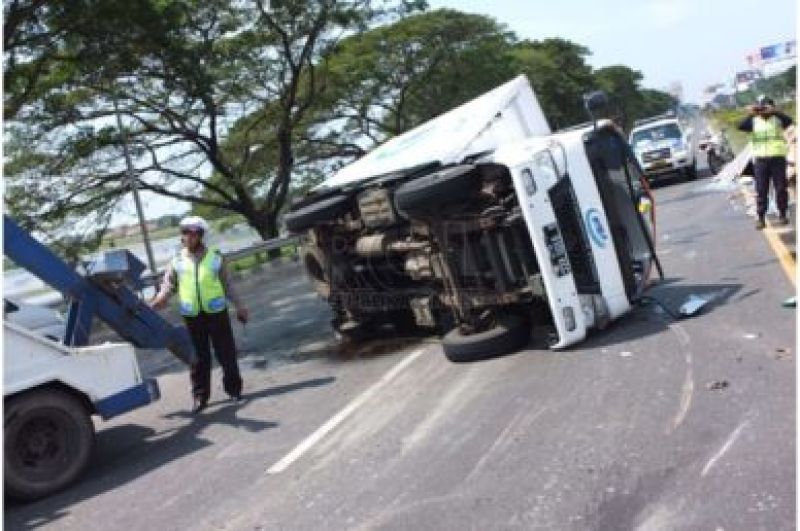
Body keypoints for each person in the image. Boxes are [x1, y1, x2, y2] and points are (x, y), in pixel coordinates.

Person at [150, 216, 249, 413]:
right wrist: (159, 299)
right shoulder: (177, 261)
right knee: (198, 358)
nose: (185, 236)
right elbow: (168, 285)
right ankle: (200, 397)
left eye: (190, 232)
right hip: (192, 316)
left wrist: (240, 306)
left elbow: (228, 285)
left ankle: (234, 389)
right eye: (184, 232)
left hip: (216, 313)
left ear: (199, 235)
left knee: (226, 353)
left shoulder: (215, 258)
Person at [737, 95, 793, 230]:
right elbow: (741, 126)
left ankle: (783, 214)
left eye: (766, 107)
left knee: (781, 189)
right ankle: (761, 218)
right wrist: (752, 113)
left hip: (777, 159)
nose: (764, 110)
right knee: (761, 190)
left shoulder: (778, 119)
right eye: (761, 107)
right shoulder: (754, 121)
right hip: (760, 160)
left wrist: (775, 111)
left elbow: (789, 121)